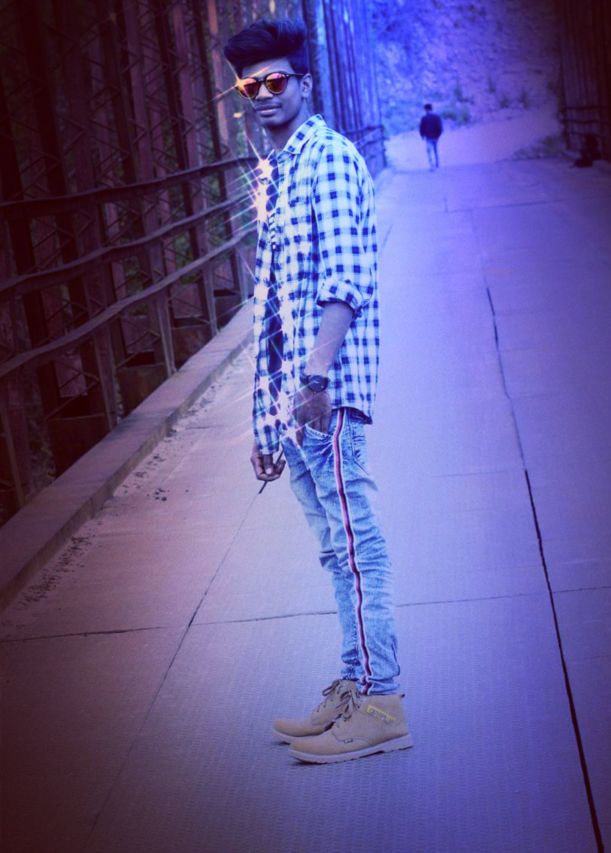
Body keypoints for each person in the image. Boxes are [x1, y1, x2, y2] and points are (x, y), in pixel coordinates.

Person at [223, 18, 412, 764]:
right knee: (338, 549)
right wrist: (267, 424)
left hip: (323, 392)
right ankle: (356, 685)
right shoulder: (280, 167)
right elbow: (275, 307)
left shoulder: (327, 159)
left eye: (276, 81)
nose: (264, 94)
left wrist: (315, 379)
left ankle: (383, 701)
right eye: (251, 86)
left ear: (304, 83)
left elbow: (343, 280)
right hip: (294, 401)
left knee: (356, 543)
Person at [419, 102, 443, 170]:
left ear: (425, 109)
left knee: (429, 151)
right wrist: (438, 135)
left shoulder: (424, 118)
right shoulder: (436, 117)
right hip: (435, 136)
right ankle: (437, 164)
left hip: (428, 136)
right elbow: (440, 127)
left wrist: (422, 135)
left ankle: (432, 165)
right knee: (435, 150)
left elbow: (421, 128)